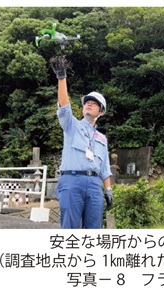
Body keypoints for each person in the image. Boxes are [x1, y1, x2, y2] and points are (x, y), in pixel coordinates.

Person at [50, 55, 113, 229]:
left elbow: (105, 168)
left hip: (94, 185)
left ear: (101, 111)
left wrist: (108, 190)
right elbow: (64, 105)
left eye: (94, 103)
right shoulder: (72, 125)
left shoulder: (102, 138)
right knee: (69, 228)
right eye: (87, 102)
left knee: (93, 230)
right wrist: (61, 77)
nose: (89, 104)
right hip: (72, 180)